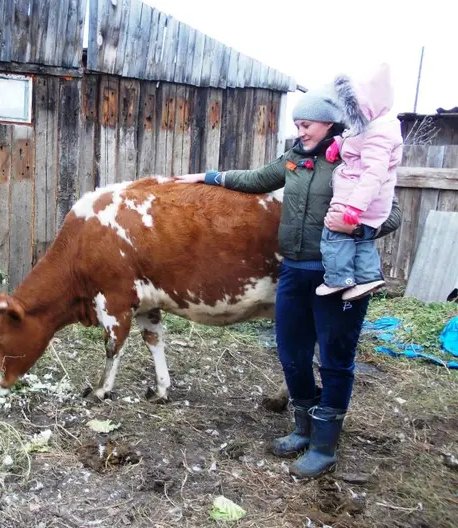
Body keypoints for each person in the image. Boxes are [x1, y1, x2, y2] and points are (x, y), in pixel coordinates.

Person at [175, 85, 402, 478]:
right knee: (292, 353)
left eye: (307, 124)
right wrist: (205, 177)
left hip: (339, 276)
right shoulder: (296, 159)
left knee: (335, 359)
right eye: (297, 124)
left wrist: (357, 230)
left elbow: (392, 212)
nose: (301, 131)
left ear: (330, 122)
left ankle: (325, 446)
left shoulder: (354, 157)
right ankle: (304, 427)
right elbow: (256, 178)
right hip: (294, 272)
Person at [316, 63, 404, 300]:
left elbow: (373, 174)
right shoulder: (376, 127)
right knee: (360, 241)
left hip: (358, 198)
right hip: (368, 201)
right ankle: (369, 277)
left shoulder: (379, 135)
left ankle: (338, 279)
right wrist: (339, 144)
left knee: (334, 232)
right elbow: (357, 138)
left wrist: (354, 207)